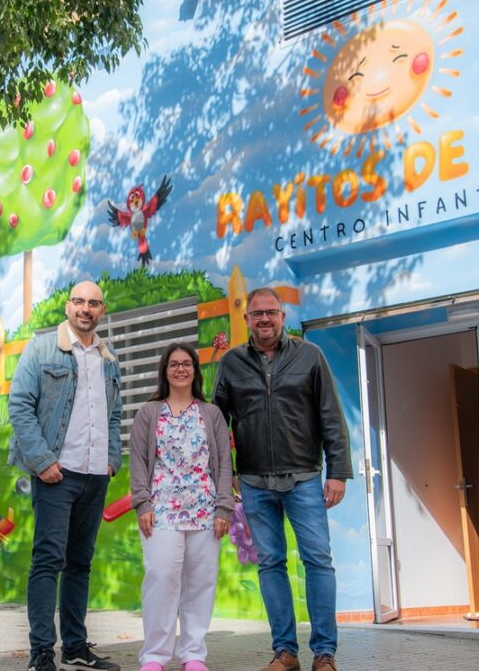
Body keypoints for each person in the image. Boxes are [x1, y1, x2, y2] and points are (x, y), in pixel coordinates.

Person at [213, 287, 352, 671]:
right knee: (271, 564)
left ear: (283, 316)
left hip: (305, 478)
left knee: (318, 561)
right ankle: (285, 652)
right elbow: (216, 424)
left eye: (271, 313)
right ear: (246, 320)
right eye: (257, 314)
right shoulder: (231, 363)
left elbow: (331, 416)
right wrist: (225, 477)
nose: (264, 320)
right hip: (254, 483)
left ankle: (324, 653)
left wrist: (337, 472)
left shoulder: (311, 356)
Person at [9, 280, 123, 671]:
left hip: (95, 476)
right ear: (67, 306)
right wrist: (41, 460)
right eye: (79, 302)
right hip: (57, 474)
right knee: (48, 560)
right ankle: (42, 651)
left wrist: (111, 459)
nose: (85, 309)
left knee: (80, 563)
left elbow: (113, 416)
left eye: (93, 303)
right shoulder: (42, 349)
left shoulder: (109, 359)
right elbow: (19, 406)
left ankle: (75, 646)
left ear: (101, 310)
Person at [129, 343, 233, 671]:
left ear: (195, 370)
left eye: (186, 363)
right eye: (173, 364)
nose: (180, 369)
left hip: (205, 511)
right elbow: (138, 461)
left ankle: (192, 654)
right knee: (161, 579)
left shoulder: (211, 413)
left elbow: (224, 463)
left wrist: (224, 507)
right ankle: (154, 657)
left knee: (200, 583)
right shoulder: (148, 413)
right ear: (165, 371)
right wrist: (142, 502)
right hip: (161, 513)